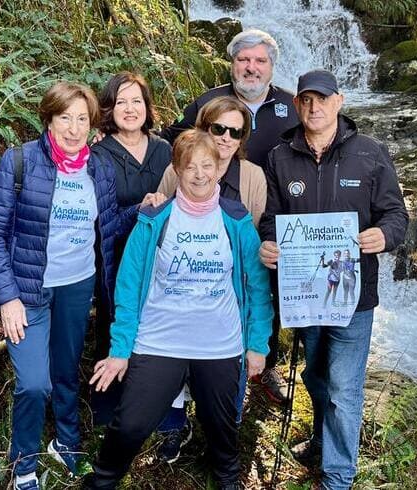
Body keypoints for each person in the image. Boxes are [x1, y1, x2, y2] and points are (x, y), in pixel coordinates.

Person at [82, 130, 273, 490]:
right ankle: (102, 482)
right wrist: (120, 350)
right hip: (159, 341)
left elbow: (257, 287)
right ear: (177, 170)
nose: (199, 174)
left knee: (221, 426)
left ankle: (228, 482)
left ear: (219, 168)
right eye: (190, 167)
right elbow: (128, 286)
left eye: (207, 165)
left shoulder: (236, 220)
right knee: (131, 425)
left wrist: (257, 343)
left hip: (219, 344)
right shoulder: (154, 219)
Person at [0, 81, 138, 490]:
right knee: (34, 382)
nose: (73, 128)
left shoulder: (97, 167)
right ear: (48, 119)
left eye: (82, 119)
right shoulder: (20, 162)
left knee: (66, 372)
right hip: (27, 290)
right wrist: (7, 297)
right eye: (65, 118)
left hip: (77, 285)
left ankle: (66, 442)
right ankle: (24, 463)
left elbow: (108, 225)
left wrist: (144, 208)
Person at [258, 69, 409, 489]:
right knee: (316, 377)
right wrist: (268, 244)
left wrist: (385, 235)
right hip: (305, 293)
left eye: (322, 99)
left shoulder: (370, 153)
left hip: (353, 296)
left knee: (344, 389)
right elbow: (271, 219)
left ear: (339, 102)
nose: (314, 107)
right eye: (306, 99)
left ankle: (338, 477)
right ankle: (325, 442)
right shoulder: (280, 155)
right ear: (298, 103)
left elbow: (396, 215)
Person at [160, 28, 299, 402]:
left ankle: (263, 364)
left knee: (262, 287)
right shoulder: (207, 103)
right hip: (204, 212)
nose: (251, 68)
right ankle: (193, 379)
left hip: (270, 212)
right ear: (232, 64)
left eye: (259, 61)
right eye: (243, 60)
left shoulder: (293, 106)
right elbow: (170, 141)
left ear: (271, 67)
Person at [153, 96, 267, 463]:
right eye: (218, 128)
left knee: (225, 379)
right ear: (203, 128)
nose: (225, 138)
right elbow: (158, 229)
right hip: (180, 292)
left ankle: (222, 442)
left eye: (235, 131)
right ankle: (174, 429)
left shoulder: (253, 177)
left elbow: (255, 243)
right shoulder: (176, 170)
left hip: (227, 297)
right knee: (173, 369)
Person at [88, 72, 173, 426]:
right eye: (121, 101)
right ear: (109, 108)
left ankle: (159, 408)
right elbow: (99, 218)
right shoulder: (99, 154)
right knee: (114, 327)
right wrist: (139, 209)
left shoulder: (165, 150)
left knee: (159, 330)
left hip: (162, 259)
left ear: (147, 106)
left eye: (136, 100)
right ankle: (108, 413)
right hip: (115, 257)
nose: (129, 108)